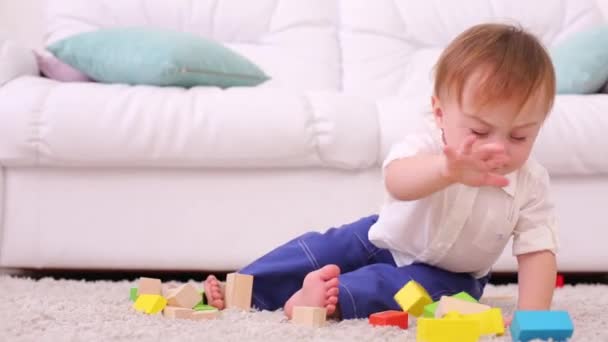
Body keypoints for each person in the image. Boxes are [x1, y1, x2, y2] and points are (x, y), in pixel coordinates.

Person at [204, 23, 558, 322]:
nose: (497, 148)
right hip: (383, 237)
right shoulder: (429, 145)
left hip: (452, 275)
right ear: (440, 113)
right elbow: (397, 182)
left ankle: (325, 301)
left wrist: (532, 318)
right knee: (319, 247)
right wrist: (446, 170)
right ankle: (245, 286)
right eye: (479, 132)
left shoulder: (531, 182)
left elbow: (537, 251)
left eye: (519, 135)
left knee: (393, 289)